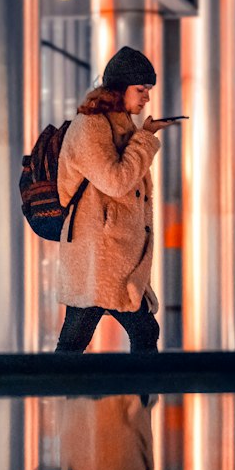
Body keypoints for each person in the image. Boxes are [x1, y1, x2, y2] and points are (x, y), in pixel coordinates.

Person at [54, 46, 180, 353]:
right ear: (119, 88)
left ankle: (135, 397)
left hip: (113, 254)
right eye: (141, 89)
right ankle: (140, 396)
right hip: (100, 254)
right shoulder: (91, 126)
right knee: (137, 332)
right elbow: (116, 180)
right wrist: (146, 138)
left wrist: (143, 134)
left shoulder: (120, 126)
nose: (147, 97)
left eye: (148, 90)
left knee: (91, 336)